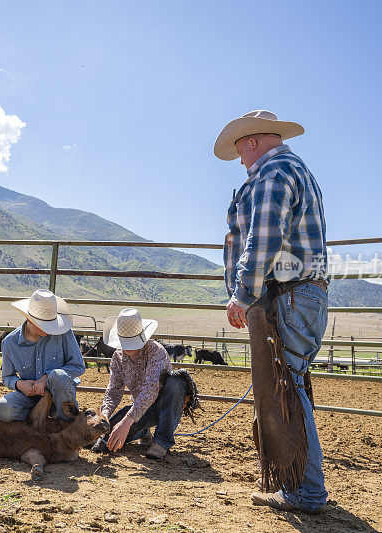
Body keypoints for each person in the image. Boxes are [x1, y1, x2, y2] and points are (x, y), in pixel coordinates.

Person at [214, 110, 329, 512]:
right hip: (303, 293)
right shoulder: (296, 171)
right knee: (292, 386)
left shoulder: (272, 174)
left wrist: (242, 293)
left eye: (240, 151)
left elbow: (262, 238)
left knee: (286, 389)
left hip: (288, 295)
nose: (241, 160)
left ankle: (307, 490)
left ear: (250, 142)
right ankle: (302, 483)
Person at [90, 308, 189, 461]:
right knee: (105, 438)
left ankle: (162, 442)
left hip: (165, 404)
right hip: (140, 409)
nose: (127, 346)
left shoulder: (156, 351)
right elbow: (113, 391)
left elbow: (151, 390)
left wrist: (126, 422)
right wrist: (105, 416)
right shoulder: (118, 357)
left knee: (176, 382)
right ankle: (143, 432)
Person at [0, 289, 85, 422]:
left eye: (51, 323)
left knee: (58, 376)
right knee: (3, 409)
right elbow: (7, 377)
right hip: (30, 398)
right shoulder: (10, 343)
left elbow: (78, 366)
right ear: (29, 320)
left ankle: (65, 422)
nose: (50, 329)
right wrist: (20, 385)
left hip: (59, 396)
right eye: (45, 325)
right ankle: (38, 421)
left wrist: (47, 377)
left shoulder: (62, 332)